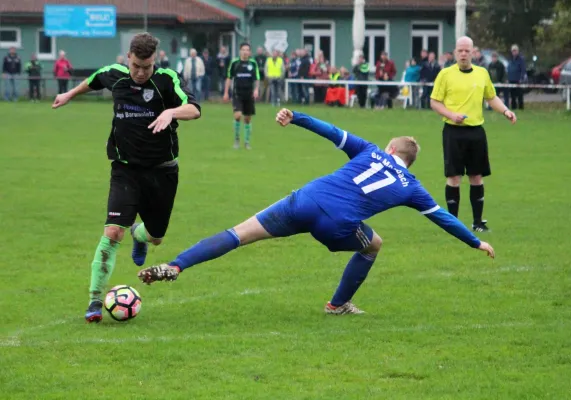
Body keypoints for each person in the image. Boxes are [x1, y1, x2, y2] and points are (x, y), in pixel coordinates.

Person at [136, 108, 495, 315]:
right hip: (338, 224)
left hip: (305, 199)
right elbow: (442, 216)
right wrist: (473, 243)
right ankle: (338, 304)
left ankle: (176, 264)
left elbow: (330, 131)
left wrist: (296, 117)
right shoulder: (412, 186)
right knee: (373, 244)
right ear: (409, 161)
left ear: (389, 148)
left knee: (238, 234)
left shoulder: (369, 150)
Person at [51, 32, 201, 323]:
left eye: (146, 67)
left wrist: (171, 112)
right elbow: (94, 79)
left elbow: (194, 109)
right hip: (125, 169)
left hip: (163, 170)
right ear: (128, 58)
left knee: (156, 237)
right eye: (136, 66)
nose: (140, 73)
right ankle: (95, 300)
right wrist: (69, 94)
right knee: (112, 233)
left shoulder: (168, 79)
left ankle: (139, 235)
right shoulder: (116, 75)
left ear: (154, 61)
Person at [430, 36, 517, 233]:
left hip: (476, 132)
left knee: (476, 176)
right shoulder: (445, 74)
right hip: (453, 132)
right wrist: (452, 115)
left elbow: (491, 97)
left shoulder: (482, 73)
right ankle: (453, 223)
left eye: (466, 51)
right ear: (454, 53)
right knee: (453, 177)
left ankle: (478, 223)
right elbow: (434, 102)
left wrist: (505, 111)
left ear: (473, 53)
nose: (463, 54)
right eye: (459, 51)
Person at [224, 42, 260, 150]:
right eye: (243, 49)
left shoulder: (253, 63)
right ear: (240, 51)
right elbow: (229, 78)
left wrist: (256, 89)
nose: (245, 52)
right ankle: (236, 140)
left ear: (250, 52)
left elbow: (257, 78)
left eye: (247, 50)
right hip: (237, 94)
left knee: (248, 119)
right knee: (238, 115)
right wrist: (226, 92)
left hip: (249, 95)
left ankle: (247, 142)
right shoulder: (235, 63)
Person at [506, 44, 526, 110]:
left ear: (517, 51)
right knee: (512, 95)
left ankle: (521, 107)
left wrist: (521, 78)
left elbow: (523, 69)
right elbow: (508, 69)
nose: (514, 52)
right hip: (511, 79)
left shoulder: (521, 59)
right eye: (513, 51)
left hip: (518, 80)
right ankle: (513, 107)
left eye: (515, 51)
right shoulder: (510, 59)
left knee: (520, 95)